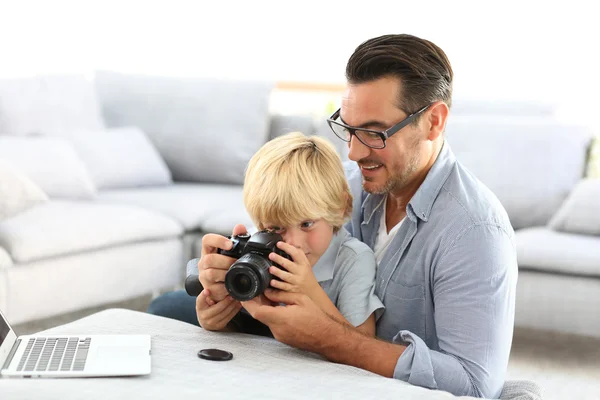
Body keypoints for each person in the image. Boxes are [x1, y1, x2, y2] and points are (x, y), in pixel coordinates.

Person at [192, 34, 518, 399]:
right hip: (303, 353)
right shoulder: (353, 185)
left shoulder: (474, 233)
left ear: (434, 121)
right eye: (348, 128)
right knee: (173, 306)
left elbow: (477, 385)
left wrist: (329, 337)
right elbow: (282, 230)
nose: (353, 152)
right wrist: (224, 271)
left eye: (374, 133)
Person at [195, 132, 383, 336]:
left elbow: (363, 342)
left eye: (306, 224)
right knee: (166, 306)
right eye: (276, 228)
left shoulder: (353, 261)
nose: (292, 243)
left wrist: (308, 290)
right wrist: (215, 318)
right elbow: (241, 329)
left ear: (340, 206)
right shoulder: (256, 249)